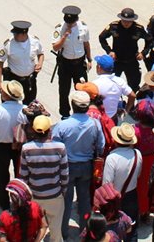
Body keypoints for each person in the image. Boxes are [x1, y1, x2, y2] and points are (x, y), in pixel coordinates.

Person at [52, 90, 102, 233]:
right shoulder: (95, 124)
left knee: (66, 202)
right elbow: (101, 145)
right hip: (86, 166)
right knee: (84, 200)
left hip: (67, 167)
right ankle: (85, 231)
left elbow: (55, 147)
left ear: (72, 105)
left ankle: (63, 232)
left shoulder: (62, 125)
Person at [19, 116, 68, 242]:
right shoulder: (60, 147)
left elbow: (23, 176)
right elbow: (64, 174)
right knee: (56, 232)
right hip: (55, 196)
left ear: (33, 131)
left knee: (35, 231)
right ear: (49, 131)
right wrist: (63, 190)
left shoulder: (26, 149)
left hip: (35, 197)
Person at [0, 81, 24, 210]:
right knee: (19, 173)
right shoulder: (24, 110)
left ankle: (3, 201)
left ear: (7, 95)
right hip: (19, 145)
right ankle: (19, 198)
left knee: (2, 174)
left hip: (2, 146)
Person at [52, 6, 92, 116]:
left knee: (82, 89)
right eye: (67, 22)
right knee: (64, 91)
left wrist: (89, 59)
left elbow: (86, 44)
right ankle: (65, 114)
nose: (69, 24)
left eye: (72, 22)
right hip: (65, 64)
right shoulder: (60, 29)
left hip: (79, 64)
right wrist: (64, 36)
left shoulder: (83, 27)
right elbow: (55, 47)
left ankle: (81, 112)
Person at [103, 125, 143, 233]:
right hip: (131, 196)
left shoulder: (112, 158)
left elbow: (106, 185)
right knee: (131, 229)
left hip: (114, 198)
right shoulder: (137, 154)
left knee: (112, 231)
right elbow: (138, 175)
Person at [0, 22, 44, 105]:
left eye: (16, 34)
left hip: (29, 80)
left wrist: (40, 63)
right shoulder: (9, 44)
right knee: (9, 105)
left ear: (24, 33)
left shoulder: (35, 41)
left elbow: (41, 54)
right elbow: (0, 63)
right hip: (13, 80)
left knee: (30, 106)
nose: (14, 35)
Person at [99, 8, 147, 91]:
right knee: (112, 85)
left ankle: (131, 103)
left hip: (131, 61)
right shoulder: (114, 26)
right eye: (124, 20)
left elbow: (149, 40)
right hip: (116, 61)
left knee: (134, 86)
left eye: (129, 21)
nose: (126, 23)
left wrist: (143, 53)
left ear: (133, 20)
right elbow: (102, 37)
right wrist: (109, 51)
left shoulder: (138, 28)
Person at [93, 55, 134, 121]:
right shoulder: (120, 81)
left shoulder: (94, 84)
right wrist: (126, 111)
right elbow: (132, 95)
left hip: (99, 119)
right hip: (113, 119)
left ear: (99, 67)